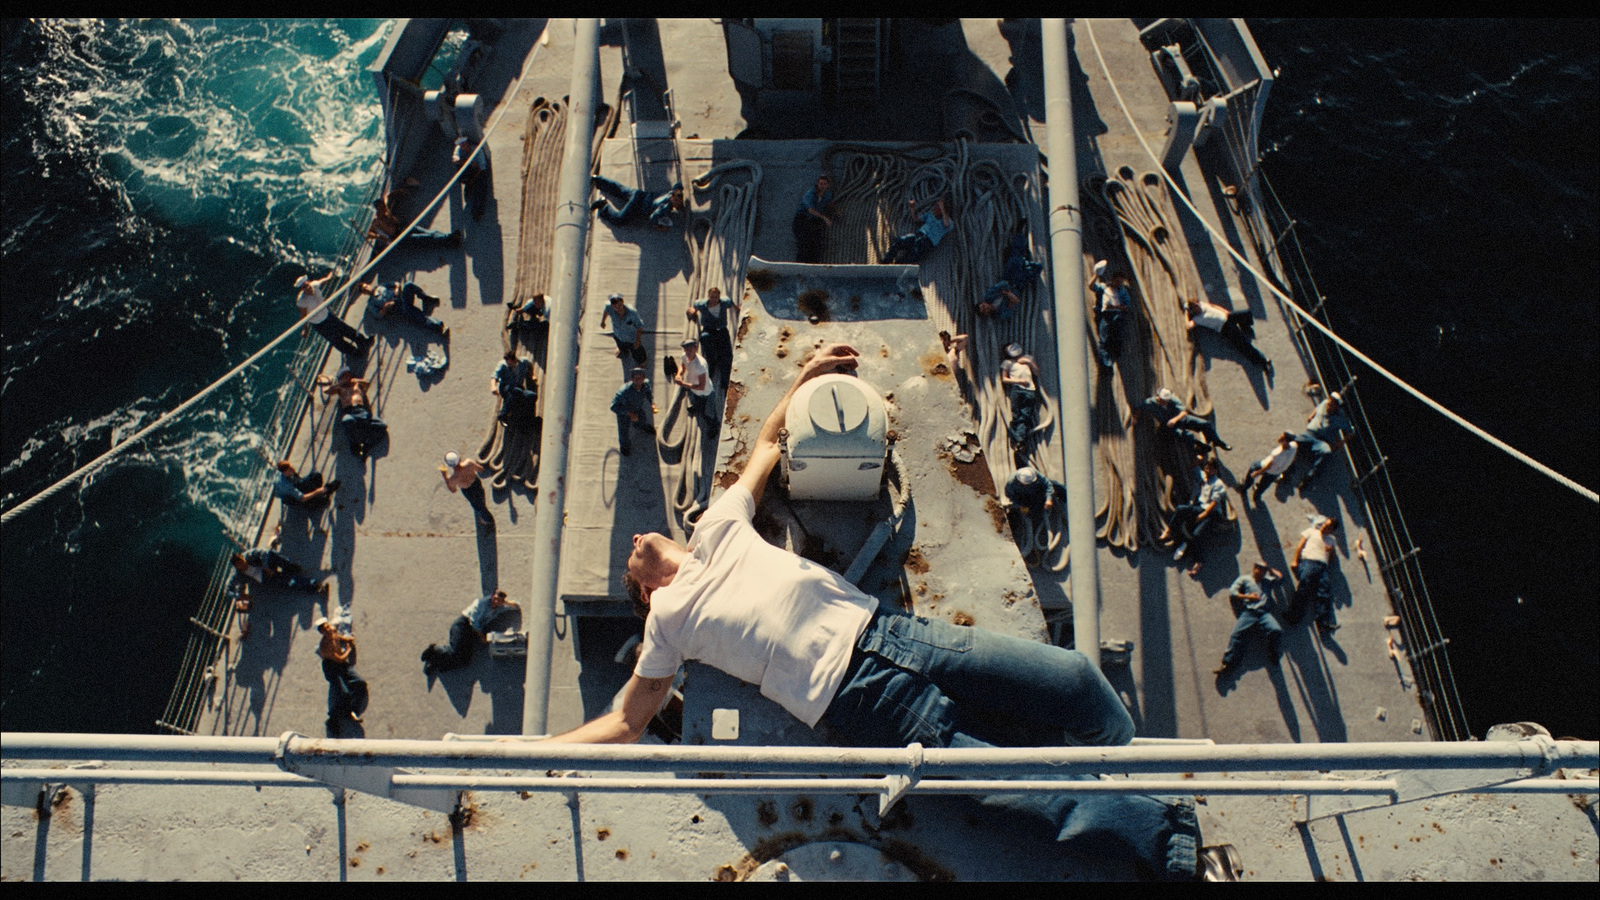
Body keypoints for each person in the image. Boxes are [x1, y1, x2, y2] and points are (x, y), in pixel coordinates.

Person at [542, 343, 1206, 881]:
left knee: (1072, 679)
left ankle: (1116, 766)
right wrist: (529, 751)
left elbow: (769, 447)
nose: (634, 540)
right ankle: (1161, 835)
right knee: (1008, 785)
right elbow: (627, 722)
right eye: (631, 562)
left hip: (896, 632)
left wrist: (805, 377)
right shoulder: (666, 623)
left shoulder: (716, 525)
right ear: (646, 596)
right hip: (856, 696)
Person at [420, 590, 519, 675]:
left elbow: (516, 606)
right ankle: (434, 650)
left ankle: (437, 663)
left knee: (464, 660)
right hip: (463, 625)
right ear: (493, 595)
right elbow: (474, 623)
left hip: (471, 633)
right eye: (496, 598)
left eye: (499, 601)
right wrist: (482, 638)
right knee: (455, 651)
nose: (496, 601)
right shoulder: (481, 603)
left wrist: (506, 603)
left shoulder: (498, 608)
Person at [1214, 562, 1285, 676]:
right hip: (1249, 612)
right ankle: (1228, 664)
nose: (1261, 572)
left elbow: (1281, 579)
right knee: (1236, 635)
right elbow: (1233, 593)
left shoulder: (1267, 581)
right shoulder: (1244, 579)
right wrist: (1248, 597)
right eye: (1259, 569)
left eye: (1264, 570)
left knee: (1276, 630)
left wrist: (1270, 569)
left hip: (1264, 613)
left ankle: (1272, 652)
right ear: (1254, 568)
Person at [1162, 457, 1227, 574]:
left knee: (1197, 535)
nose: (1207, 471)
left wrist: (1202, 516)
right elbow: (1192, 468)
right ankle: (1169, 530)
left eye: (1210, 469)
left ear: (1215, 471)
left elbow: (1214, 503)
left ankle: (1199, 562)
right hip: (1200, 507)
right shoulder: (1203, 477)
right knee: (1181, 509)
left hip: (1211, 513)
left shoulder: (1218, 485)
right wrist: (1199, 460)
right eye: (1206, 468)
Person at [1184, 298, 1271, 375]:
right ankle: (1262, 361)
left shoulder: (1203, 305)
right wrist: (1186, 313)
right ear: (1193, 310)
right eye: (1195, 307)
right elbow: (1188, 326)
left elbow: (1213, 306)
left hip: (1228, 317)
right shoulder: (1197, 319)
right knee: (1243, 345)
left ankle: (1244, 326)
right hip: (1224, 328)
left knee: (1247, 314)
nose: (1198, 307)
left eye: (1197, 304)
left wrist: (1225, 311)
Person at [1285, 516, 1341, 635]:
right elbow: (1300, 546)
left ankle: (1323, 624)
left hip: (1323, 566)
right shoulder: (1311, 531)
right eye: (1325, 522)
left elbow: (1333, 560)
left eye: (1329, 525)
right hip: (1310, 561)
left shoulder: (1331, 540)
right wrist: (1295, 560)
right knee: (1304, 588)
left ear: (1332, 530)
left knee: (1324, 593)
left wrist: (1331, 551)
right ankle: (1293, 615)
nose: (1325, 525)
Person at [295, 273, 373, 358]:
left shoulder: (315, 285)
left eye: (307, 285)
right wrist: (305, 328)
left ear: (309, 282)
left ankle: (363, 341)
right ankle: (354, 353)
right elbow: (303, 315)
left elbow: (323, 281)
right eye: (304, 287)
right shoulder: (301, 301)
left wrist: (330, 277)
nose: (307, 288)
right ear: (301, 290)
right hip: (319, 324)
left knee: (345, 329)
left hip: (327, 315)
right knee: (336, 340)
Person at [1135, 388, 1230, 451]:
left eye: (1167, 400)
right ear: (1158, 397)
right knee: (1186, 435)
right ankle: (1198, 446)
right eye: (1164, 400)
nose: (1166, 402)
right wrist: (1135, 418)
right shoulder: (1149, 403)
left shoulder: (1172, 399)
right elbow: (1140, 408)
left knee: (1205, 424)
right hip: (1167, 425)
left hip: (1179, 419)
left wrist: (1175, 419)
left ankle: (1216, 441)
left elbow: (1184, 411)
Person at [316, 616, 368, 732]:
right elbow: (339, 658)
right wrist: (348, 650)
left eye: (328, 626)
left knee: (360, 683)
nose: (329, 630)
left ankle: (351, 711)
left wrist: (346, 639)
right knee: (342, 692)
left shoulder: (333, 632)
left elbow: (338, 637)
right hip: (332, 667)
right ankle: (332, 720)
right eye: (325, 630)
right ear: (322, 633)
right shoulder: (324, 646)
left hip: (341, 664)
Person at [322, 369, 388, 460]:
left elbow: (367, 383)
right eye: (343, 376)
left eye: (347, 375)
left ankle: (367, 443)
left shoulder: (357, 384)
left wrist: (355, 380)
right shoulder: (340, 388)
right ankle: (354, 444)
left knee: (382, 426)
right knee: (346, 420)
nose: (346, 377)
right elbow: (327, 391)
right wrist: (339, 383)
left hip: (362, 410)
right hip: (350, 411)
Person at [1292, 392, 1353, 491]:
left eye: (1332, 404)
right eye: (1330, 401)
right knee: (1293, 441)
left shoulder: (1340, 418)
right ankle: (1287, 469)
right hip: (1309, 434)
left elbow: (1350, 433)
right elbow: (1318, 407)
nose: (1329, 404)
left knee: (1326, 453)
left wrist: (1339, 443)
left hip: (1322, 441)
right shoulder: (1324, 403)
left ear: (1337, 407)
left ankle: (1309, 478)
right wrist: (1311, 416)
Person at [366, 191, 463, 250]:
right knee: (426, 238)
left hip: (403, 229)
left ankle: (450, 237)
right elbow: (368, 234)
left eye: (383, 206)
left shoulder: (386, 213)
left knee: (429, 232)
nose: (383, 208)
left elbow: (386, 196)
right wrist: (380, 237)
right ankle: (450, 239)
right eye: (381, 207)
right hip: (399, 239)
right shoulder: (376, 222)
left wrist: (397, 192)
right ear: (377, 209)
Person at [687, 287, 739, 388]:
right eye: (712, 297)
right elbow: (695, 308)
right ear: (708, 296)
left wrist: (738, 309)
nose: (714, 299)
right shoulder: (702, 304)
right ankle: (710, 368)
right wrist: (691, 311)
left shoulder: (724, 302)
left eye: (716, 297)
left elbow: (732, 304)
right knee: (705, 340)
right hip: (709, 330)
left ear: (719, 297)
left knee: (726, 356)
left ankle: (725, 383)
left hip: (721, 330)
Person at [591, 176, 684, 230]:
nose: (677, 204)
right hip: (638, 206)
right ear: (672, 198)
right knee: (619, 220)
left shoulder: (671, 192)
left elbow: (678, 184)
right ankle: (603, 206)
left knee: (619, 189)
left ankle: (598, 180)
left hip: (639, 194)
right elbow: (653, 218)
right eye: (676, 201)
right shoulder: (666, 207)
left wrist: (680, 189)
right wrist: (660, 226)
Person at [362, 280, 447, 337]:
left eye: (366, 287)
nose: (367, 289)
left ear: (369, 285)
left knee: (408, 285)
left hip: (401, 297)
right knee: (418, 316)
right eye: (365, 290)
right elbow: (379, 315)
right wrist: (385, 307)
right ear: (365, 294)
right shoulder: (372, 302)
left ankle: (425, 298)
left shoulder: (381, 286)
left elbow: (396, 283)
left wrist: (396, 289)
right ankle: (438, 326)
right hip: (399, 308)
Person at [884, 198, 952, 264]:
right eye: (936, 205)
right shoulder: (930, 215)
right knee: (900, 240)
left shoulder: (948, 222)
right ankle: (885, 262)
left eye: (938, 207)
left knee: (910, 258)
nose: (935, 208)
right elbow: (916, 219)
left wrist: (943, 210)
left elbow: (947, 225)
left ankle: (898, 266)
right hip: (918, 236)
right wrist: (912, 208)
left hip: (927, 243)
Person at [1090, 262, 1132, 369]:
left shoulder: (1122, 292)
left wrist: (1115, 307)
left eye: (1121, 282)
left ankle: (1114, 356)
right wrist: (1096, 274)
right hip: (1105, 316)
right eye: (1118, 281)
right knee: (1103, 340)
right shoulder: (1103, 288)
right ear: (1113, 279)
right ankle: (1106, 364)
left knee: (1117, 338)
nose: (1119, 284)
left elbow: (1127, 307)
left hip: (1117, 316)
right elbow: (1091, 285)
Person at [230, 548, 325, 595]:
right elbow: (228, 589)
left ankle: (288, 566)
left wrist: (266, 567)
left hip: (265, 568)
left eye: (242, 561)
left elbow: (264, 552)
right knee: (288, 581)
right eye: (240, 565)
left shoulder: (249, 555)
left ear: (242, 558)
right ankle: (313, 584)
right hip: (264, 578)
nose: (243, 565)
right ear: (237, 567)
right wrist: (238, 596)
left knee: (272, 555)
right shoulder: (237, 575)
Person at [1000, 346, 1041, 453]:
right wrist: (1019, 381)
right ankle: (1018, 440)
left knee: (1025, 415)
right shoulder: (1007, 363)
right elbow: (1004, 379)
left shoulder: (1027, 358)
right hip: (1017, 389)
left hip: (1030, 389)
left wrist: (1029, 362)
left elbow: (1037, 372)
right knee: (1016, 415)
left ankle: (1020, 440)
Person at [1239, 432, 1299, 501]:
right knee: (1264, 484)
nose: (1279, 438)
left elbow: (1268, 467)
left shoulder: (1278, 453)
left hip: (1268, 467)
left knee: (1253, 467)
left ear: (1286, 441)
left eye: (1282, 437)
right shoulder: (1294, 446)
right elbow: (1294, 458)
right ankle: (1257, 496)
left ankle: (1245, 487)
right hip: (1277, 472)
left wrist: (1257, 473)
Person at [792, 174, 837, 263]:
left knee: (816, 244)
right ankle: (800, 266)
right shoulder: (810, 194)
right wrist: (824, 218)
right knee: (804, 244)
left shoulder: (827, 194)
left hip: (813, 222)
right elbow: (811, 210)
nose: (822, 186)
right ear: (817, 184)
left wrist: (836, 211)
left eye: (824, 184)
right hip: (802, 221)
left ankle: (814, 265)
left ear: (828, 185)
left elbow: (829, 203)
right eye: (821, 184)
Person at [610, 367, 656, 456]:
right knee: (624, 432)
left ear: (643, 378)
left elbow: (648, 393)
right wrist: (629, 413)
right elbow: (613, 407)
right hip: (624, 415)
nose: (637, 381)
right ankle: (625, 447)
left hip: (637, 409)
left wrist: (652, 403)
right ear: (632, 379)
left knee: (642, 418)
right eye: (635, 378)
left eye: (640, 378)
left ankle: (641, 426)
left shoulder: (645, 385)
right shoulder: (624, 391)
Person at [440, 450, 492, 527]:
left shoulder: (453, 478)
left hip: (468, 490)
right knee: (481, 496)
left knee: (478, 506)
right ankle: (484, 508)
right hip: (476, 483)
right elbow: (480, 469)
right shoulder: (469, 463)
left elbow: (453, 490)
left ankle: (487, 519)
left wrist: (445, 476)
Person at [673, 339, 716, 422]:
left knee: (710, 414)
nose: (688, 352)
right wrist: (679, 374)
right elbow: (683, 366)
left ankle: (713, 426)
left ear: (696, 349)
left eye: (690, 349)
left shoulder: (701, 366)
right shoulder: (684, 356)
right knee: (696, 401)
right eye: (686, 349)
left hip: (706, 393)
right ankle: (697, 406)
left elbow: (701, 387)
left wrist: (683, 384)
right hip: (692, 388)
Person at [453, 135, 491, 223]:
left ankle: (478, 212)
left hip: (479, 171)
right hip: (471, 168)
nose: (462, 147)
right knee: (461, 172)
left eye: (463, 145)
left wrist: (473, 179)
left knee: (480, 190)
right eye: (460, 145)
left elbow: (482, 168)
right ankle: (469, 187)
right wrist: (468, 162)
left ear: (467, 144)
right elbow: (455, 159)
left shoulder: (478, 151)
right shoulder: (459, 149)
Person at [600, 293, 647, 363]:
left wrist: (638, 340)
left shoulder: (632, 313)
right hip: (618, 335)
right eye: (615, 306)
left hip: (632, 339)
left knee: (637, 353)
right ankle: (623, 351)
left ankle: (642, 361)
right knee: (621, 347)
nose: (617, 308)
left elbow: (639, 327)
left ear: (622, 302)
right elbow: (606, 310)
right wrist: (603, 321)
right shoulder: (609, 307)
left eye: (619, 305)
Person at [273, 460, 339, 510]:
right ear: (285, 472)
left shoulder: (283, 472)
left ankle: (320, 492)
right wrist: (318, 491)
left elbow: (296, 477)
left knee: (316, 475)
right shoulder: (286, 485)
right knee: (322, 501)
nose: (293, 469)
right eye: (290, 469)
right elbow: (302, 498)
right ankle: (319, 495)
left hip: (293, 483)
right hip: (291, 497)